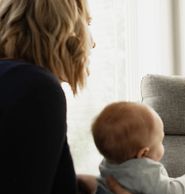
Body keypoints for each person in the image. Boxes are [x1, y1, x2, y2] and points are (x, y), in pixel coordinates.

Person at [0, 0, 130, 194]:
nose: (93, 43)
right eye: (87, 23)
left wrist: (89, 184)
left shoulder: (13, 80)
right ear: (65, 29)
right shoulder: (37, 89)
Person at [91, 101, 185, 194]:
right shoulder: (143, 173)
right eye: (160, 141)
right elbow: (170, 190)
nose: (163, 145)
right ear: (143, 154)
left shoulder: (108, 163)